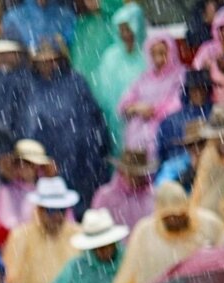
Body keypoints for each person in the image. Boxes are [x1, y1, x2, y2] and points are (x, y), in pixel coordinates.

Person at [19, 37, 110, 216]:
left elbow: (92, 120)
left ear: (59, 59)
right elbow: (25, 126)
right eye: (41, 61)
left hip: (79, 160)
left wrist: (92, 152)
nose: (46, 64)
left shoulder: (76, 82)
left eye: (51, 59)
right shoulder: (28, 86)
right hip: (43, 163)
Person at [2, 176, 82, 283]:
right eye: (51, 210)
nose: (57, 216)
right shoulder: (20, 236)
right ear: (39, 209)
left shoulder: (79, 235)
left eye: (61, 210)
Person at [87, 2, 149, 154]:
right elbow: (101, 93)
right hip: (115, 124)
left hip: (144, 122)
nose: (126, 35)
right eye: (122, 30)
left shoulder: (148, 54)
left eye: (129, 29)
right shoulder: (110, 57)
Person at [116, 28, 183, 157]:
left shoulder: (179, 75)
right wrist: (135, 108)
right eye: (153, 54)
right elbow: (123, 104)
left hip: (165, 132)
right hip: (136, 138)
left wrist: (153, 110)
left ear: (171, 52)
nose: (158, 59)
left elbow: (178, 102)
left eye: (162, 53)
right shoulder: (144, 78)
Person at [156, 68, 214, 164]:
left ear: (207, 90)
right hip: (177, 167)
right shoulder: (169, 122)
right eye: (194, 89)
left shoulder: (218, 113)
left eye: (202, 88)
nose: (198, 93)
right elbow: (162, 154)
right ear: (187, 91)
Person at [90, 148, 157, 230]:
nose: (136, 178)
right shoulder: (104, 197)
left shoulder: (153, 195)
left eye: (138, 174)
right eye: (131, 173)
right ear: (121, 171)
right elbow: (95, 227)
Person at [0, 138, 52, 228]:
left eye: (27, 164)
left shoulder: (49, 191)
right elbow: (4, 220)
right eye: (17, 164)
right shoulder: (5, 191)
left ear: (38, 168)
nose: (21, 168)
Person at [156, 119, 209, 192]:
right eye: (191, 144)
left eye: (201, 142)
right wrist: (188, 174)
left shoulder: (221, 161)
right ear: (187, 147)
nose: (196, 148)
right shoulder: (173, 166)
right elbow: (161, 190)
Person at [1, 0, 75, 48]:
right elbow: (10, 51)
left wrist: (56, 43)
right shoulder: (12, 17)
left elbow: (73, 46)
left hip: (60, 69)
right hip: (25, 70)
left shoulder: (66, 16)